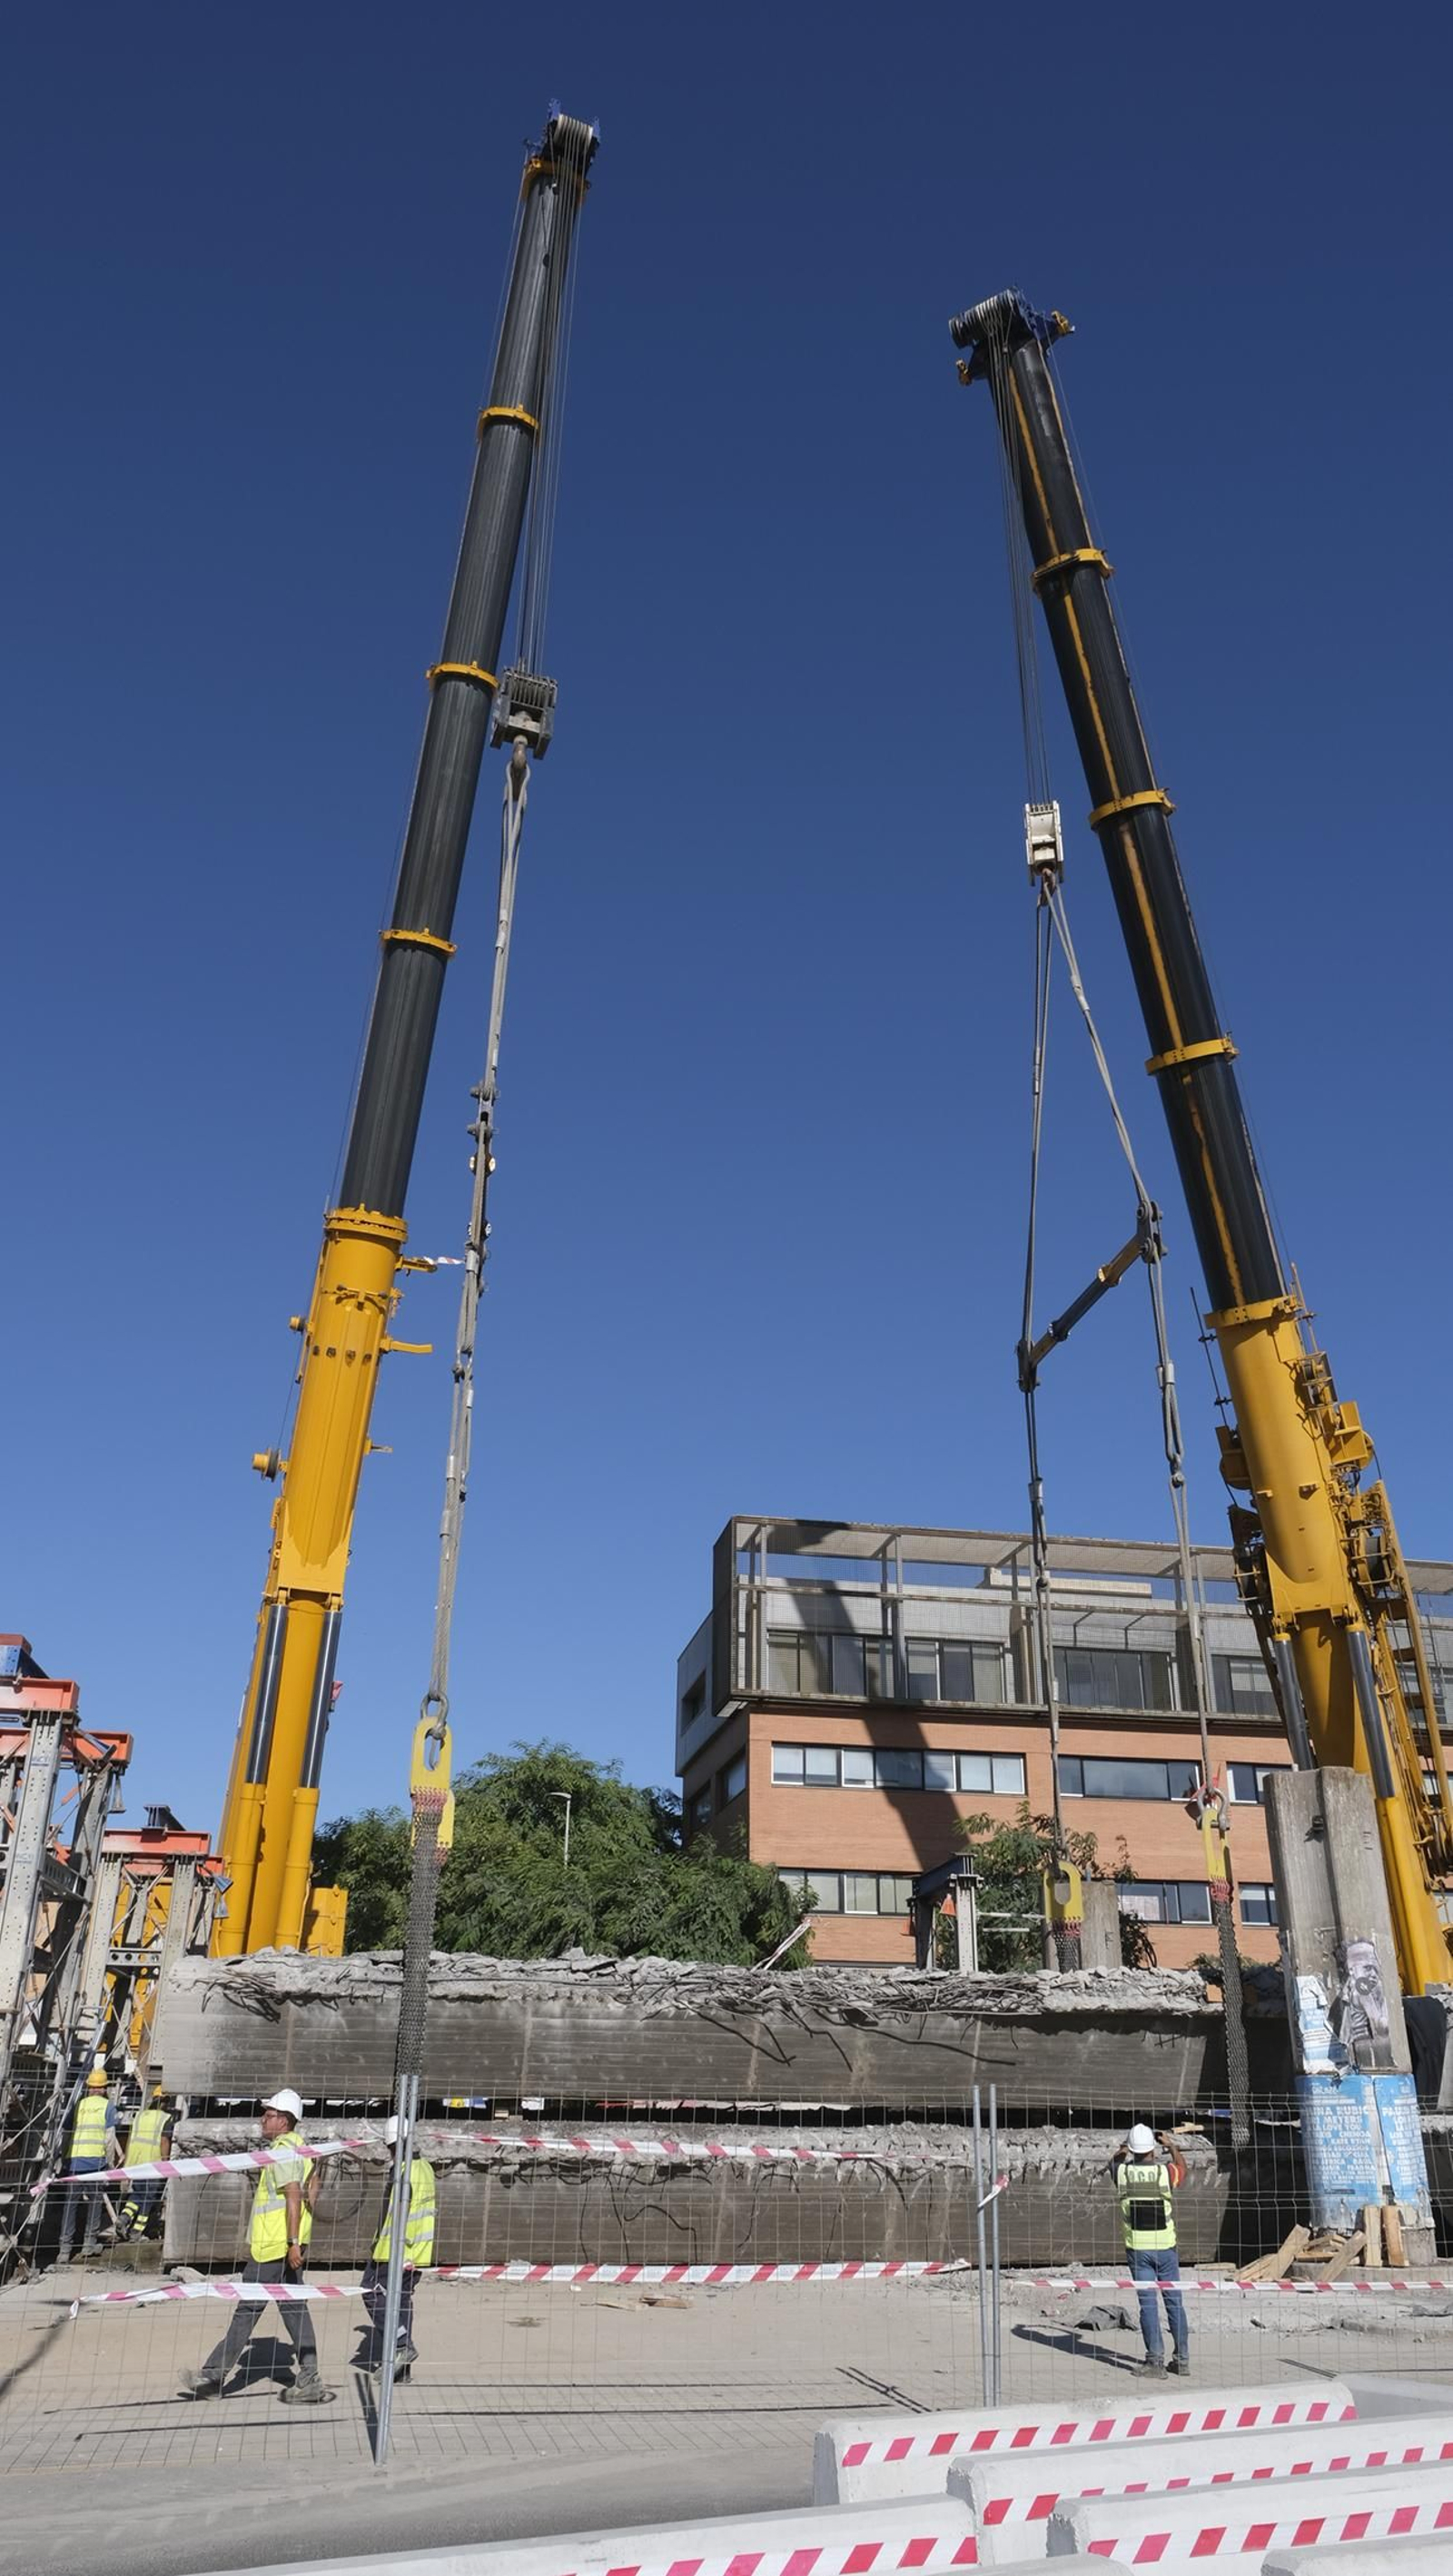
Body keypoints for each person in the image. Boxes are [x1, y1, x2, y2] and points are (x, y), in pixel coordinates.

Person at [178, 2088, 335, 2404]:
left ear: (285, 2121)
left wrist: (292, 2242)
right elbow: (312, 2191)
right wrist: (297, 2240)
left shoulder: (284, 2151)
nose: (263, 2119)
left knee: (248, 2309)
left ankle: (212, 2377)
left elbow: (294, 2195)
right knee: (294, 2309)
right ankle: (310, 2379)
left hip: (274, 2247)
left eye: (269, 2114)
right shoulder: (302, 2150)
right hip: (285, 2245)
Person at [357, 2116, 437, 2381]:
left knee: (371, 2292)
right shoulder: (424, 2167)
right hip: (417, 2251)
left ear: (393, 2145)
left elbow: (399, 2213)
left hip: (396, 2250)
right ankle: (402, 2371)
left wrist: (387, 2246)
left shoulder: (403, 2172)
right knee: (401, 2301)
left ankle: (401, 2344)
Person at [1112, 2119, 1189, 2375]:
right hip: (1166, 2248)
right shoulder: (1164, 2173)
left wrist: (1124, 2146)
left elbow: (1115, 2161)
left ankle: (1155, 2361)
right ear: (1153, 2150)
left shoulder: (1122, 2173)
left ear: (1132, 2149)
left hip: (1138, 2250)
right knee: (1174, 2304)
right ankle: (1182, 2360)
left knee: (1148, 2306)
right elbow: (1182, 2168)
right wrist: (1171, 2145)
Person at [56, 2068, 117, 2265]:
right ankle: (88, 2244)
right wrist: (109, 2164)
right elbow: (109, 2139)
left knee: (70, 2205)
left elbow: (66, 2134)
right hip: (96, 2162)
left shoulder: (78, 2105)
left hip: (75, 2162)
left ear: (89, 2087)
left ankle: (64, 2249)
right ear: (105, 2088)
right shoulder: (108, 2107)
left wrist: (64, 2158)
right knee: (94, 2203)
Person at [108, 2087, 174, 2243]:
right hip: (153, 2162)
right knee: (148, 2197)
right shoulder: (165, 2118)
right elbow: (164, 2141)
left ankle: (124, 2217)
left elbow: (131, 2138)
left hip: (137, 2161)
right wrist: (166, 2161)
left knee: (138, 2194)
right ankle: (137, 2231)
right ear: (165, 2102)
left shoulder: (140, 2115)